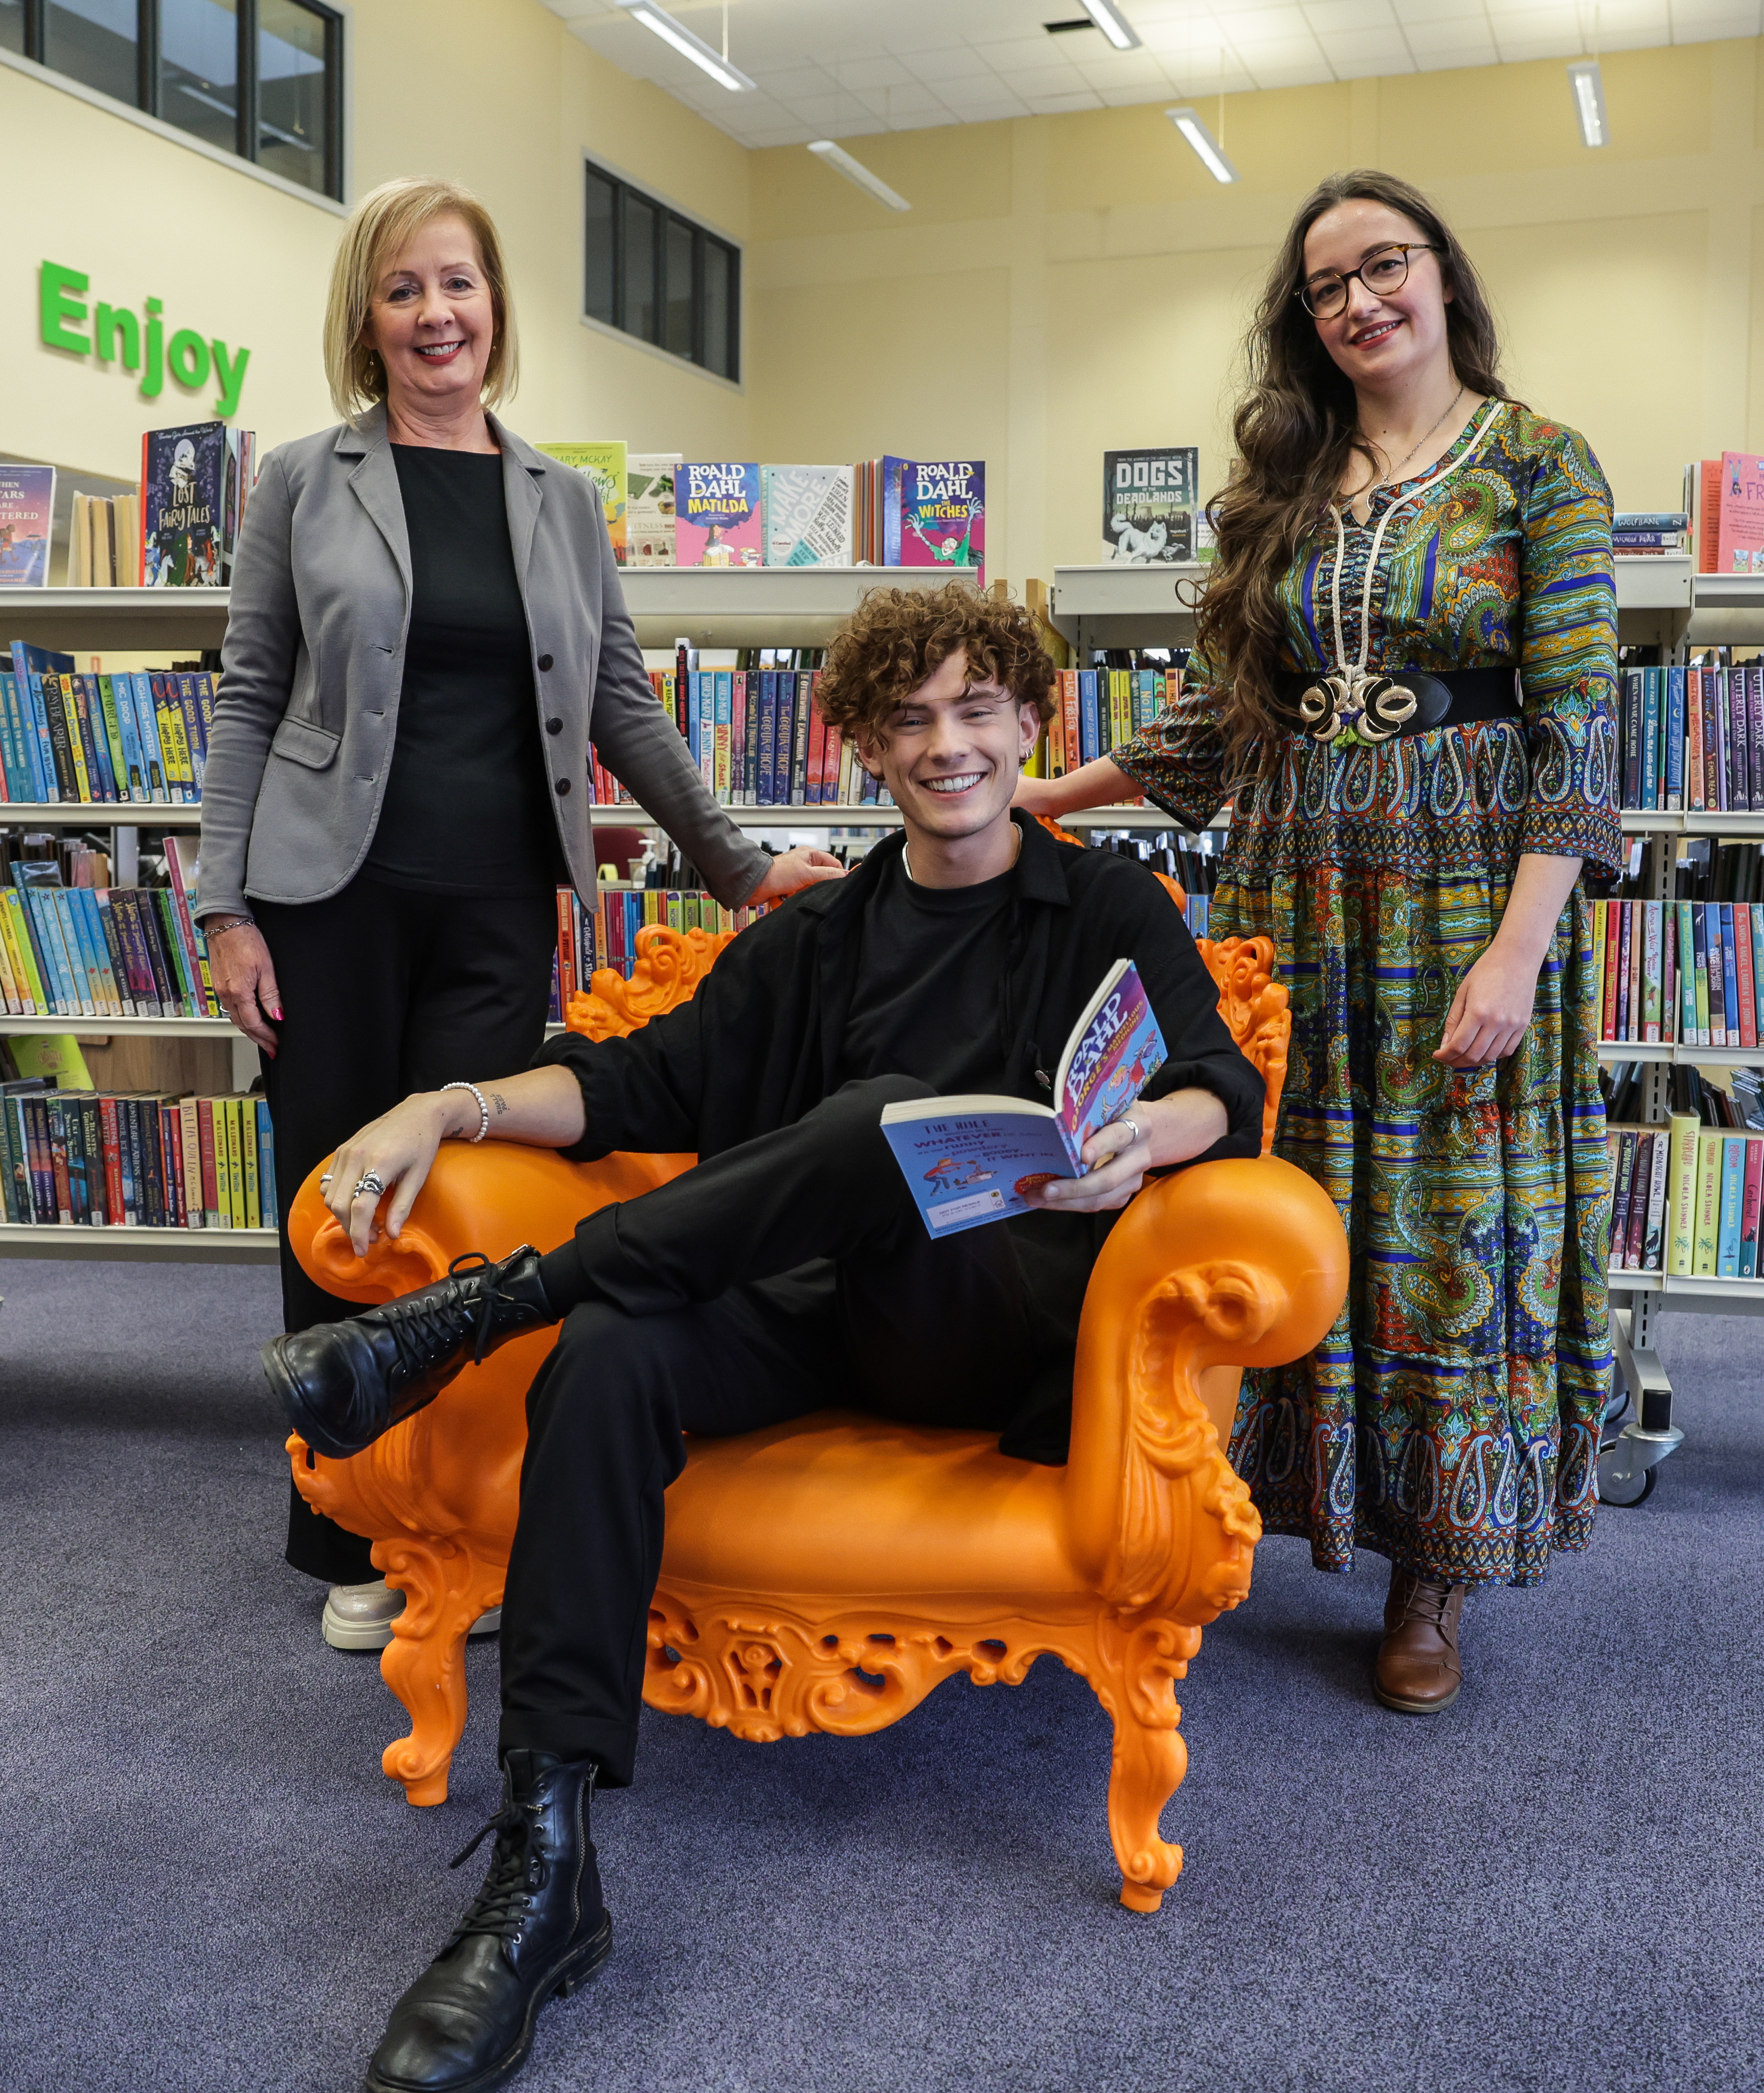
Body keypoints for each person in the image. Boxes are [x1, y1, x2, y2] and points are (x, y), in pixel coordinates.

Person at [261, 582, 1265, 2093]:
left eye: (977, 711)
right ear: (865, 746)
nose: (948, 745)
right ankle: (543, 1876)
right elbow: (626, 1085)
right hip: (819, 1317)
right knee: (611, 1352)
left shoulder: (1104, 903)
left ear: (1029, 725)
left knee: (876, 1123)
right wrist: (441, 1105)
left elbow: (1215, 1087)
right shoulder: (825, 934)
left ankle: (474, 1316)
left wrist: (1146, 1133)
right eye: (911, 719)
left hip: (993, 1333)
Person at [197, 176, 839, 1649]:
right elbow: (246, 700)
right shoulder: (303, 476)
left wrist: (741, 867)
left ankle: (459, 1512)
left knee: (472, 1204)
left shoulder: (560, 499)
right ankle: (348, 1525)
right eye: (404, 290)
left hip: (494, 906)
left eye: (459, 285)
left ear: (497, 308)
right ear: (367, 319)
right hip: (324, 901)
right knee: (336, 1207)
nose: (437, 314)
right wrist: (225, 907)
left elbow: (622, 704)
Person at [1017, 169, 1621, 1714]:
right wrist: (1035, 798)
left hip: (1460, 897)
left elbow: (1577, 733)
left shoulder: (1538, 465)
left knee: (1441, 1226)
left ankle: (1436, 1568)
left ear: (1440, 273)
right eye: (1325, 287)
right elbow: (1223, 726)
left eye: (1383, 265)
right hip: (1295, 893)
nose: (1357, 301)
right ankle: (1250, 1514)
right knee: (1286, 1205)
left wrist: (1516, 953)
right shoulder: (1286, 480)